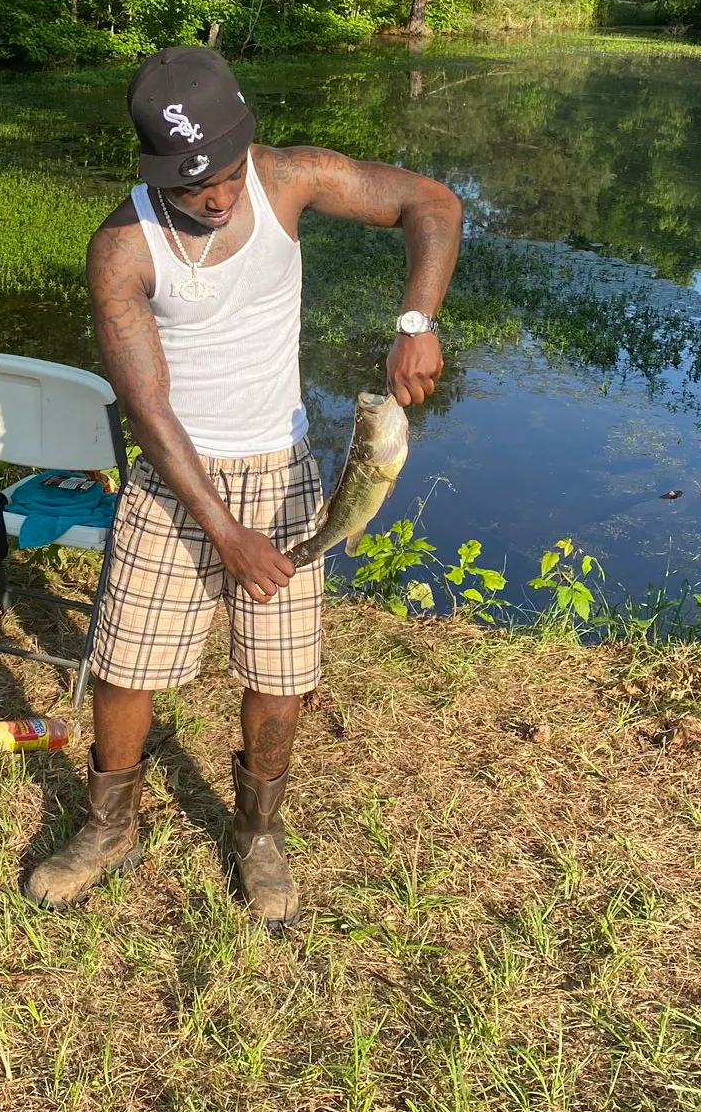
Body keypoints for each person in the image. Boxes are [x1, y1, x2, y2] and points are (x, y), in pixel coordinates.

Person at [24, 45, 462, 926]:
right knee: (123, 665)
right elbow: (147, 410)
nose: (216, 197)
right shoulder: (120, 248)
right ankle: (110, 828)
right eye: (191, 187)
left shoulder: (287, 180)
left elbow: (432, 202)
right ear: (153, 172)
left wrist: (417, 322)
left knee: (280, 673)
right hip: (172, 479)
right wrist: (224, 531)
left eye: (223, 174)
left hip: (287, 470)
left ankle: (258, 835)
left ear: (245, 145)